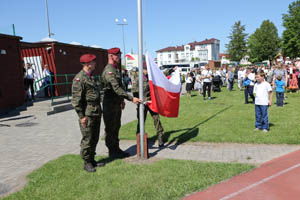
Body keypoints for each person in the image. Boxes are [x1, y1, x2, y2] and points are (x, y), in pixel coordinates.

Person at [101, 47, 141, 158]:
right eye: (117, 55)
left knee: (116, 127)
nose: (119, 57)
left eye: (119, 55)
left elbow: (120, 87)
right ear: (111, 56)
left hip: (116, 103)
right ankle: (112, 151)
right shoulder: (109, 71)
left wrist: (122, 100)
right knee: (110, 129)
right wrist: (131, 98)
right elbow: (116, 88)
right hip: (110, 105)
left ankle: (116, 148)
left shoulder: (115, 69)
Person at [71, 54, 104, 173]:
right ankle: (86, 162)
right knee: (87, 139)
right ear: (87, 64)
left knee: (95, 137)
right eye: (93, 62)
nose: (95, 64)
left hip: (96, 112)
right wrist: (82, 117)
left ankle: (92, 159)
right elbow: (76, 101)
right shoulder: (79, 79)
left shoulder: (92, 77)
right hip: (87, 114)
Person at [132, 65, 165, 148]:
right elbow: (134, 92)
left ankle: (160, 139)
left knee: (156, 120)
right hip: (142, 103)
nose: (147, 71)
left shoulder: (151, 77)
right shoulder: (138, 78)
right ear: (142, 69)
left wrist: (171, 70)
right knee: (141, 122)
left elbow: (161, 75)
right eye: (146, 69)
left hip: (151, 102)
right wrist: (139, 101)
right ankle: (140, 141)